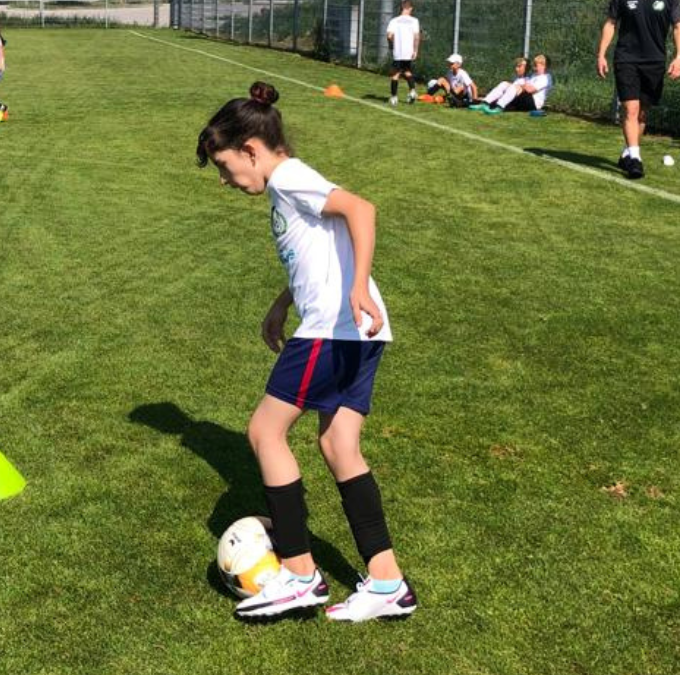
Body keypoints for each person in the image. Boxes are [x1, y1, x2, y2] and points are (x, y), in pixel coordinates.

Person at [195, 82, 418, 622]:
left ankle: (298, 575)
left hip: (333, 329)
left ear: (251, 149)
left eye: (226, 167)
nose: (227, 181)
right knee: (340, 445)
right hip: (359, 333)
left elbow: (361, 210)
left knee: (264, 432)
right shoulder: (285, 186)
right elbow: (315, 253)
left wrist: (359, 286)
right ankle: (388, 584)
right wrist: (281, 302)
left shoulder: (290, 176)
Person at [597, 0, 680, 179]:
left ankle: (627, 153)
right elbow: (610, 23)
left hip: (655, 62)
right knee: (631, 109)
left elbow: (679, 26)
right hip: (626, 59)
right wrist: (601, 54)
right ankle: (636, 159)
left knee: (642, 113)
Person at [474, 54, 552, 114]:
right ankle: (485, 103)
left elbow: (530, 90)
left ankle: (499, 107)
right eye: (534, 65)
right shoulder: (534, 75)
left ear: (544, 66)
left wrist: (521, 86)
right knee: (504, 84)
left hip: (533, 104)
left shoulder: (545, 78)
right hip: (525, 98)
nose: (534, 67)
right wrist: (522, 85)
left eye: (536, 65)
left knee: (515, 87)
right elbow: (526, 85)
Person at [386, 0, 421, 106]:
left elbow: (389, 36)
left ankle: (394, 97)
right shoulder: (414, 20)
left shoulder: (394, 20)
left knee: (395, 74)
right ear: (410, 8)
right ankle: (412, 91)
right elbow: (416, 36)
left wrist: (392, 45)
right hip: (408, 52)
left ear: (402, 7)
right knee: (407, 71)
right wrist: (415, 50)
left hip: (398, 52)